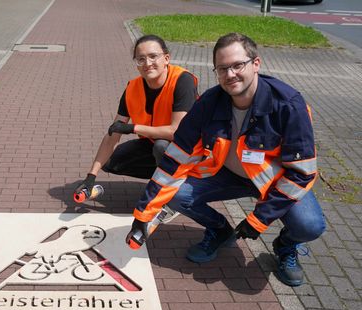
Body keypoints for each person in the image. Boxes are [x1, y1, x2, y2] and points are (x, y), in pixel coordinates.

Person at [127, 33, 325, 287]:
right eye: (222, 68)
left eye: (237, 65)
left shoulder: (289, 105)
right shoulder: (209, 103)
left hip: (276, 181)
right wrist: (143, 213)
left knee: (310, 225)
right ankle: (220, 230)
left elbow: (302, 173)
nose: (230, 74)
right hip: (226, 174)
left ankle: (286, 245)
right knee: (176, 193)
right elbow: (175, 158)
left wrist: (259, 219)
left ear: (256, 63)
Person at [75, 34, 198, 222]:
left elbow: (176, 132)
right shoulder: (133, 88)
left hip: (191, 151)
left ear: (166, 58)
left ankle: (174, 196)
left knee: (162, 147)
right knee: (112, 162)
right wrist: (91, 176)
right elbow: (113, 133)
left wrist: (134, 128)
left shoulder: (182, 81)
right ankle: (165, 180)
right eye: (141, 59)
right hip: (155, 143)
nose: (147, 63)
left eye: (153, 56)